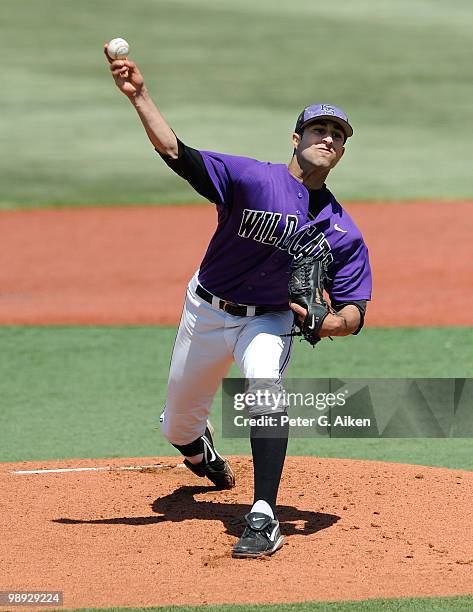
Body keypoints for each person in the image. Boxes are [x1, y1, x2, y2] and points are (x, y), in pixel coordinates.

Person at [104, 46, 372, 558]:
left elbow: (355, 310)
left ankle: (264, 513)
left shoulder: (341, 229)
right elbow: (178, 155)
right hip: (205, 309)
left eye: (337, 136)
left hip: (268, 321)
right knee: (177, 426)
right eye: (319, 130)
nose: (328, 139)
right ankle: (197, 448)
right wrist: (139, 97)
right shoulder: (251, 178)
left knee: (266, 388)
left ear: (341, 153)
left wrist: (327, 322)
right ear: (296, 139)